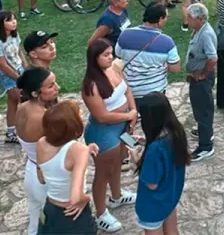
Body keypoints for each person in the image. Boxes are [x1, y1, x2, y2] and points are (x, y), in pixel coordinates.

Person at [81, 38, 138, 232]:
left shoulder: (114, 68)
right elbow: (102, 116)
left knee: (119, 161)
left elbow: (127, 89)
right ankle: (101, 213)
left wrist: (134, 111)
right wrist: (128, 114)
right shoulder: (90, 85)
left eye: (110, 52)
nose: (110, 57)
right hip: (104, 133)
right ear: (94, 58)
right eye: (105, 55)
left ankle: (117, 195)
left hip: (122, 127)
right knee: (103, 173)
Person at [128, 92, 189, 235]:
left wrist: (135, 160)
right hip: (170, 197)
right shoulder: (177, 133)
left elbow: (152, 183)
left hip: (152, 205)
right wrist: (146, 140)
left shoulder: (155, 149)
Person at [36, 101, 98, 234]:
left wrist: (86, 150)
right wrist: (87, 198)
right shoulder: (77, 150)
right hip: (73, 215)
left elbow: (41, 178)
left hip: (51, 208)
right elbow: (75, 198)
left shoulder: (41, 143)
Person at [16, 67, 60, 235]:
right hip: (47, 177)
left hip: (32, 170)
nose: (57, 88)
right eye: (50, 86)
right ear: (35, 93)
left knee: (35, 219)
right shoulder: (43, 118)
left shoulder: (22, 106)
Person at [115, 3, 181, 113]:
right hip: (155, 93)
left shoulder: (125, 34)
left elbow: (118, 54)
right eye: (166, 18)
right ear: (160, 19)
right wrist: (164, 66)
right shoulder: (167, 41)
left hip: (130, 92)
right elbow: (175, 68)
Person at [184, 3, 217, 161]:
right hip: (195, 77)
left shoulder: (206, 34)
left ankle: (205, 146)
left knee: (203, 109)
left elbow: (212, 58)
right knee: (199, 108)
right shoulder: (198, 30)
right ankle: (205, 131)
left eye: (189, 17)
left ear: (198, 18)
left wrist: (203, 74)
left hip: (201, 80)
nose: (187, 20)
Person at [0, 9, 26, 143]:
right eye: (9, 20)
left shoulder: (14, 36)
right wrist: (18, 78)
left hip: (19, 70)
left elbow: (19, 50)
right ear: (0, 23)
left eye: (14, 19)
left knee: (12, 103)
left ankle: (11, 132)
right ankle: (24, 129)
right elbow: (3, 65)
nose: (14, 22)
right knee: (24, 100)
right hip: (8, 77)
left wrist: (25, 66)